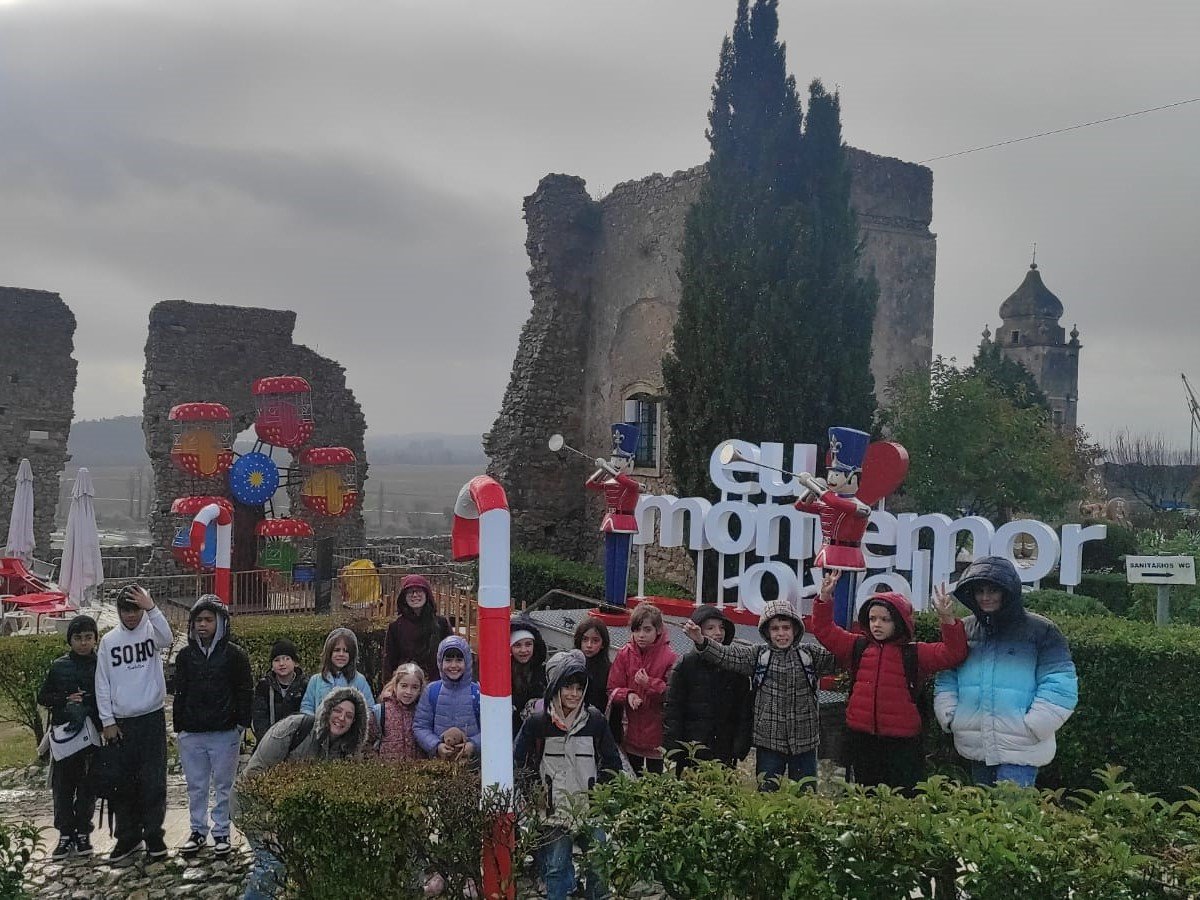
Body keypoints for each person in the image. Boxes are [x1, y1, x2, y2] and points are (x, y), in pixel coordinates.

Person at [809, 571, 967, 790]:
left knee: (901, 797)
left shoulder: (915, 653)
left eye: (885, 619)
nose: (877, 624)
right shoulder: (858, 646)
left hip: (902, 744)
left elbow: (954, 653)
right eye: (872, 619)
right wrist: (824, 599)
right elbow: (823, 630)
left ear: (899, 622)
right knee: (866, 796)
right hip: (862, 738)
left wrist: (947, 620)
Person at [934, 555, 1078, 788]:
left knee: (1011, 815)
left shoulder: (1041, 630)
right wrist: (950, 716)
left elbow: (1060, 681)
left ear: (1007, 591)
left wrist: (1034, 725)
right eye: (979, 591)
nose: (985, 597)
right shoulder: (967, 629)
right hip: (975, 742)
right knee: (980, 818)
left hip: (1022, 747)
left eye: (992, 590)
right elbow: (947, 675)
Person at [682, 597, 836, 791]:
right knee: (767, 795)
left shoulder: (810, 655)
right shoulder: (758, 656)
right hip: (768, 743)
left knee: (805, 795)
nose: (781, 634)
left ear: (795, 629)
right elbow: (727, 656)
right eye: (775, 628)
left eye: (786, 627)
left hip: (805, 743)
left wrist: (824, 602)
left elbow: (841, 655)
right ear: (766, 631)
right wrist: (702, 641)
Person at [236, 687, 370, 900]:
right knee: (273, 862)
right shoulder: (294, 729)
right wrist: (269, 825)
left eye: (349, 716)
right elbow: (253, 775)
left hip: (292, 815)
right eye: (338, 710)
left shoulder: (346, 752)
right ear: (327, 709)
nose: (341, 718)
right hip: (251, 804)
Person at [515, 650, 622, 900]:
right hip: (553, 811)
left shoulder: (595, 721)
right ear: (555, 687)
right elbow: (519, 761)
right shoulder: (537, 722)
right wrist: (534, 791)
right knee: (555, 867)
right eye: (567, 687)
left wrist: (601, 794)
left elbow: (612, 762)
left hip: (590, 809)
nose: (573, 694)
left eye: (578, 688)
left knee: (599, 862)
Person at [95, 584, 173, 862]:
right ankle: (127, 837)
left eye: (135, 610)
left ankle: (154, 835)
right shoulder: (108, 642)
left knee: (153, 781)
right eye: (125, 610)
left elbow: (168, 637)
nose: (130, 616)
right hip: (121, 722)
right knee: (123, 783)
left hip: (150, 717)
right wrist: (107, 720)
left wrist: (151, 607)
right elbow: (101, 683)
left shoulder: (152, 632)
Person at [173, 595, 254, 858]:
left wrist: (241, 723)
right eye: (198, 620)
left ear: (220, 622)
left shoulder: (235, 655)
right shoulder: (185, 656)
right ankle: (197, 830)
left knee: (223, 785)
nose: (202, 625)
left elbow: (244, 690)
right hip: (192, 732)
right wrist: (180, 726)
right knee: (196, 785)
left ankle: (222, 831)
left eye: (208, 620)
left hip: (224, 731)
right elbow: (180, 691)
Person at [38, 615, 101, 859]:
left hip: (92, 736)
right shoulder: (59, 666)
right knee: (62, 787)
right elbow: (43, 697)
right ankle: (65, 834)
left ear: (95, 638)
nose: (83, 643)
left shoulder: (101, 664)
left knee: (88, 787)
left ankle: (83, 831)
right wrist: (65, 699)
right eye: (78, 638)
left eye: (88, 637)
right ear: (70, 640)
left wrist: (89, 702)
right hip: (65, 736)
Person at [663, 606, 751, 775]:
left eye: (721, 627)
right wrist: (673, 748)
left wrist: (740, 745)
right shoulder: (685, 665)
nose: (718, 633)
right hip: (692, 747)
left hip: (724, 747)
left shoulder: (735, 667)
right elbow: (673, 709)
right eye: (710, 628)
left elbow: (743, 711)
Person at [606, 601, 677, 775]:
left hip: (656, 735)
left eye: (647, 630)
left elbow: (673, 695)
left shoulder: (670, 657)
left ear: (658, 630)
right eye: (636, 630)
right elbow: (612, 688)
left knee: (654, 781)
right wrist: (627, 695)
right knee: (631, 777)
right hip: (630, 733)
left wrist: (649, 684)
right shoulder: (625, 653)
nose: (641, 635)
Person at [584, 423, 641, 607]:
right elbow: (591, 484)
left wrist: (610, 469)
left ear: (629, 462)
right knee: (610, 562)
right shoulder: (610, 479)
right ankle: (609, 600)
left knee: (621, 564)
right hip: (610, 520)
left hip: (625, 521)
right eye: (613, 459)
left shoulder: (631, 482)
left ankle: (619, 602)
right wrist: (601, 469)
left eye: (620, 460)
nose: (616, 462)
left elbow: (627, 483)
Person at [414, 636, 480, 760]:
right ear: (440, 662)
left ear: (467, 662)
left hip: (473, 765)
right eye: (448, 660)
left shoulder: (477, 692)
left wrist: (473, 744)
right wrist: (436, 746)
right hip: (439, 764)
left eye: (459, 660)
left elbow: (489, 729)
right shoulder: (432, 691)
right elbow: (421, 726)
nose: (453, 665)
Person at [381, 574, 452, 683]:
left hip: (437, 685)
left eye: (419, 591)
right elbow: (389, 662)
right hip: (407, 688)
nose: (415, 595)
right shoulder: (395, 627)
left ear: (426, 594)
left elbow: (451, 654)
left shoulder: (441, 624)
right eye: (410, 592)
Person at [300, 627, 376, 715]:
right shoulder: (316, 680)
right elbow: (307, 706)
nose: (341, 654)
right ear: (329, 653)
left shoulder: (359, 680)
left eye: (346, 651)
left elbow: (369, 709)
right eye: (337, 650)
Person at [251, 639, 310, 743]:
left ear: (295, 663)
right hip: (269, 741)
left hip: (297, 742)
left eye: (287, 659)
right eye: (277, 660)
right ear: (272, 666)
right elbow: (259, 717)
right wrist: (267, 741)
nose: (282, 663)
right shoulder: (264, 686)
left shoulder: (305, 685)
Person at [373, 662, 426, 762]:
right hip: (387, 773)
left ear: (420, 689)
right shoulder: (380, 711)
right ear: (395, 685)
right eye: (404, 686)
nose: (408, 692)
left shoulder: (424, 712)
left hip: (417, 773)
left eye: (414, 687)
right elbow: (367, 743)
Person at [509, 616, 547, 732]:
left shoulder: (541, 671)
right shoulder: (505, 673)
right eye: (517, 645)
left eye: (528, 644)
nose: (524, 650)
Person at [573, 617, 611, 714]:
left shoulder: (609, 670)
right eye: (585, 639)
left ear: (603, 644)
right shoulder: (569, 664)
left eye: (595, 641)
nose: (589, 645)